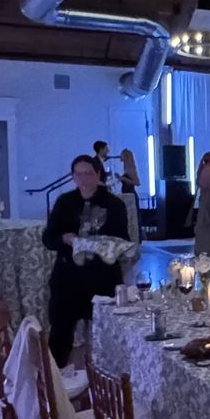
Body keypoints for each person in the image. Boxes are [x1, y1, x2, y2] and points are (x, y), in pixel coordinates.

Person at [42, 154, 130, 366]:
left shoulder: (114, 204)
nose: (84, 179)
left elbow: (123, 240)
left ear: (98, 174)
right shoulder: (65, 202)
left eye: (88, 173)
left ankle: (108, 384)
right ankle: (56, 383)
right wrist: (64, 238)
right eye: (79, 174)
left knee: (107, 333)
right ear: (73, 176)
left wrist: (104, 244)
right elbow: (48, 238)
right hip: (68, 278)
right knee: (60, 332)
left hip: (102, 277)